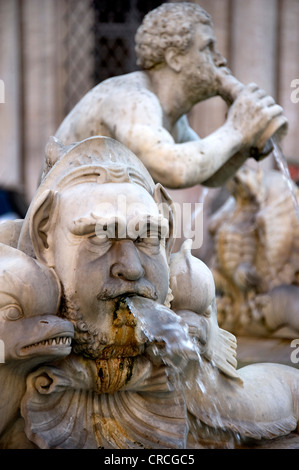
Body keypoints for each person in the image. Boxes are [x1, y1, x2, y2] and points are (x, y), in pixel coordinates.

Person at [16, 136, 299, 449]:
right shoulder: (15, 289)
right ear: (45, 238)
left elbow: (276, 392)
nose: (131, 268)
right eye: (100, 237)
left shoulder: (186, 300)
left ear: (167, 236)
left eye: (147, 236)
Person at [54, 2, 286, 190]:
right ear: (175, 59)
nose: (220, 60)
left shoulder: (173, 117)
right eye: (208, 48)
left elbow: (209, 175)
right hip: (64, 227)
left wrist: (246, 143)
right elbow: (172, 168)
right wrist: (237, 129)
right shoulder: (134, 99)